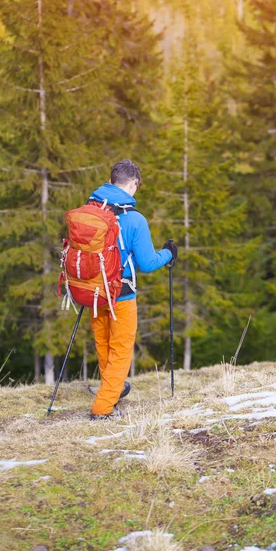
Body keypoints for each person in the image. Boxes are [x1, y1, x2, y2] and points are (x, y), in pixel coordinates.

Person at [88, 159, 177, 420]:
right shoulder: (134, 219)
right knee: (120, 351)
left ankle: (111, 389)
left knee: (103, 345)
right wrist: (167, 253)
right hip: (121, 294)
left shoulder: (90, 211)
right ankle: (103, 408)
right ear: (133, 184)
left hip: (92, 292)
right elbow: (147, 263)